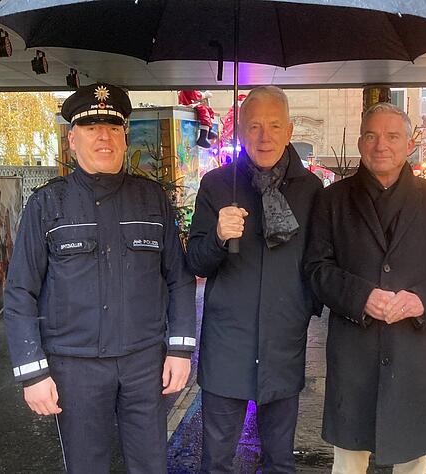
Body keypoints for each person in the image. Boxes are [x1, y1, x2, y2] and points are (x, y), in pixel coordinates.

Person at [4, 83, 196, 474]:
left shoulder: (152, 199)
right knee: (86, 466)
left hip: (144, 363)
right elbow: (20, 291)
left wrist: (179, 349)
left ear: (124, 136)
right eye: (91, 128)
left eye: (112, 126)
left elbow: (179, 279)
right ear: (72, 139)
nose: (103, 136)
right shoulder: (46, 204)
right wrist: (32, 372)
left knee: (151, 465)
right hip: (75, 367)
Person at [304, 102, 426, 473]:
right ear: (361, 143)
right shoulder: (333, 199)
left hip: (413, 352)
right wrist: (361, 296)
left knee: (413, 460)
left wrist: (421, 301)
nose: (381, 145)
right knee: (348, 460)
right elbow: (316, 269)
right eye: (372, 135)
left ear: (409, 144)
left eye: (392, 136)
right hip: (353, 354)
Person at [187, 86, 322, 473]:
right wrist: (217, 236)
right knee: (216, 461)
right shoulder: (217, 185)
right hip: (228, 346)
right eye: (255, 125)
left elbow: (319, 258)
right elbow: (195, 261)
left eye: (275, 125)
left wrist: (304, 308)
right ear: (240, 130)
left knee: (280, 461)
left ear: (290, 129)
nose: (265, 136)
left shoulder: (311, 190)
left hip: (283, 344)